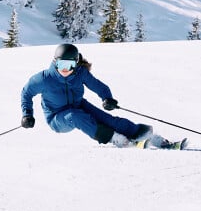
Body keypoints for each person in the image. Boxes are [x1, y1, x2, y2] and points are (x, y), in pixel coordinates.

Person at [20, 43, 155, 147]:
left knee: (108, 119)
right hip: (57, 118)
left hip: (78, 105)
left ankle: (138, 132)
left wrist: (107, 98)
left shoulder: (80, 73)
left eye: (70, 65)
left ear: (76, 63)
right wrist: (27, 114)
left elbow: (98, 85)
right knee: (75, 116)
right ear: (55, 62)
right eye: (61, 64)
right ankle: (113, 138)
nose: (65, 69)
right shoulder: (44, 79)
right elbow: (26, 93)